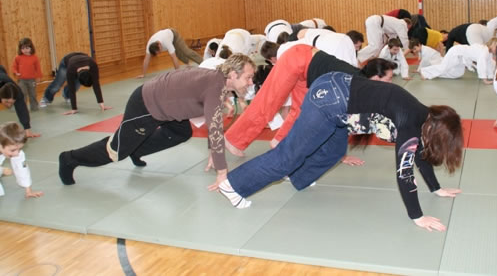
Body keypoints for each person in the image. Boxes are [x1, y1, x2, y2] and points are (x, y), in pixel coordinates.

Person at [215, 72, 464, 232]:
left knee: (334, 151)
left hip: (337, 96)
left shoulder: (422, 117)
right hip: (330, 101)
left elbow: (419, 153)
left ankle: (298, 178)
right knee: (286, 158)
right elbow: (404, 173)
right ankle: (232, 185)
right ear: (435, 132)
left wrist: (436, 188)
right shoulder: (409, 123)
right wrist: (417, 217)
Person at [58, 54, 256, 187]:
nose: (251, 82)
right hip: (146, 106)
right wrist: (222, 173)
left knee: (181, 132)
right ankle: (69, 159)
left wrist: (214, 151)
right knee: (116, 151)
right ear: (233, 75)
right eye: (248, 77)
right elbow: (215, 130)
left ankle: (137, 149)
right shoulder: (215, 88)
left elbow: (212, 121)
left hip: (165, 105)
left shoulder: (218, 81)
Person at [224, 42, 395, 156]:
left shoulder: (362, 87)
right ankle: (233, 140)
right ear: (375, 77)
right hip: (297, 59)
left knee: (301, 111)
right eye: (388, 79)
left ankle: (280, 141)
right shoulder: (357, 86)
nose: (390, 84)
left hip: (308, 73)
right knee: (269, 102)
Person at [39, 52, 112, 115]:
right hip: (67, 62)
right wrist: (74, 109)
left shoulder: (93, 66)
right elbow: (72, 88)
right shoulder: (71, 69)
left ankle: (66, 95)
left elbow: (96, 85)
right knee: (58, 84)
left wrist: (101, 103)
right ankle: (46, 99)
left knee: (77, 85)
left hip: (82, 59)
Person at [420, 38, 497, 83]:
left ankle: (435, 74)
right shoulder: (484, 51)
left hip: (461, 57)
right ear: (491, 45)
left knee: (457, 73)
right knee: (443, 67)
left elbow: (490, 64)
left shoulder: (489, 53)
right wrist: (485, 79)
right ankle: (425, 72)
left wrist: (491, 76)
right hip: (456, 52)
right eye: (496, 47)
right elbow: (482, 65)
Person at [0, 122, 43, 198]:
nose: (16, 153)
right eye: (12, 150)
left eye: (19, 149)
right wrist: (2, 170)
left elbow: (22, 168)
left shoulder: (16, 152)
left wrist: (28, 190)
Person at [0, 70, 39, 138]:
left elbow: (22, 109)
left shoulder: (17, 92)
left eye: (11, 103)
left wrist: (27, 130)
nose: (9, 105)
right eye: (6, 102)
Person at [11, 38, 42, 112]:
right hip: (21, 80)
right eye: (23, 48)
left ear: (31, 48)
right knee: (23, 94)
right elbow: (14, 67)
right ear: (20, 49)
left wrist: (38, 77)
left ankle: (34, 107)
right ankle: (23, 108)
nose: (25, 50)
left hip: (32, 80)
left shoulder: (34, 57)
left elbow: (38, 68)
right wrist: (16, 72)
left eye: (27, 48)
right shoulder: (18, 57)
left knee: (33, 94)